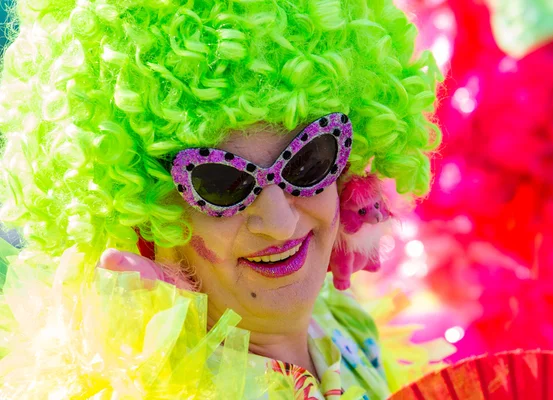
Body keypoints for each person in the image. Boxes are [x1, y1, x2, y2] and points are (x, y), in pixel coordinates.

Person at [0, 0, 441, 398]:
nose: (279, 221)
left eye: (309, 159)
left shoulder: (348, 326)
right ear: (144, 208)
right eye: (221, 184)